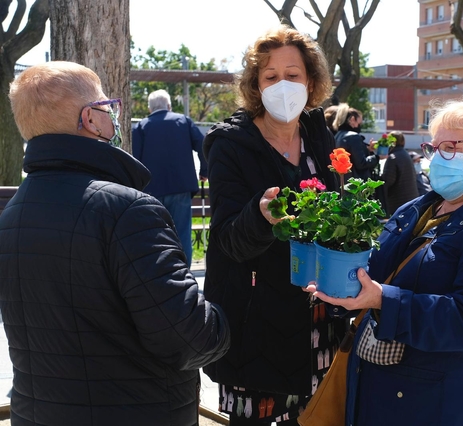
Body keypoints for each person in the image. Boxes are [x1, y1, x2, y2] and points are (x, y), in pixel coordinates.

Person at [1, 61, 230, 425]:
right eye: (109, 107)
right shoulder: (128, 210)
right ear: (91, 119)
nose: (114, 117)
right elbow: (189, 339)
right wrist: (221, 313)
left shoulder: (12, 214)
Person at [308, 94, 463, 425]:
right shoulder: (417, 209)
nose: (436, 160)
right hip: (385, 397)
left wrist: (383, 301)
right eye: (434, 149)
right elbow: (378, 272)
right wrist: (342, 285)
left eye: (451, 148)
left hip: (448, 406)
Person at [201, 25, 348, 425]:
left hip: (318, 318)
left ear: (312, 81)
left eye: (293, 74)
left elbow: (333, 209)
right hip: (259, 325)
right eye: (271, 76)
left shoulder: (318, 132)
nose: (283, 84)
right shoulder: (230, 144)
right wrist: (260, 215)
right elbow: (229, 240)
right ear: (256, 85)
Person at [132, 89, 208, 266]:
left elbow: (135, 158)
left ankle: (160, 275)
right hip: (181, 187)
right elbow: (203, 145)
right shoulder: (183, 121)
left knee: (155, 235)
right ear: (169, 106)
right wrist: (204, 171)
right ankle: (184, 274)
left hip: (151, 190)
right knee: (181, 234)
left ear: (150, 109)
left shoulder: (142, 126)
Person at [332, 103, 380, 180]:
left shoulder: (337, 135)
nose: (359, 126)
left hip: (342, 181)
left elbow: (353, 156)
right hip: (355, 184)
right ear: (352, 119)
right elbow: (361, 164)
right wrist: (377, 157)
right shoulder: (353, 136)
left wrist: (368, 150)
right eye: (359, 123)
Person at [380, 131, 419, 216]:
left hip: (398, 202)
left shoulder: (393, 157)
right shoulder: (405, 154)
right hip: (410, 200)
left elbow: (388, 181)